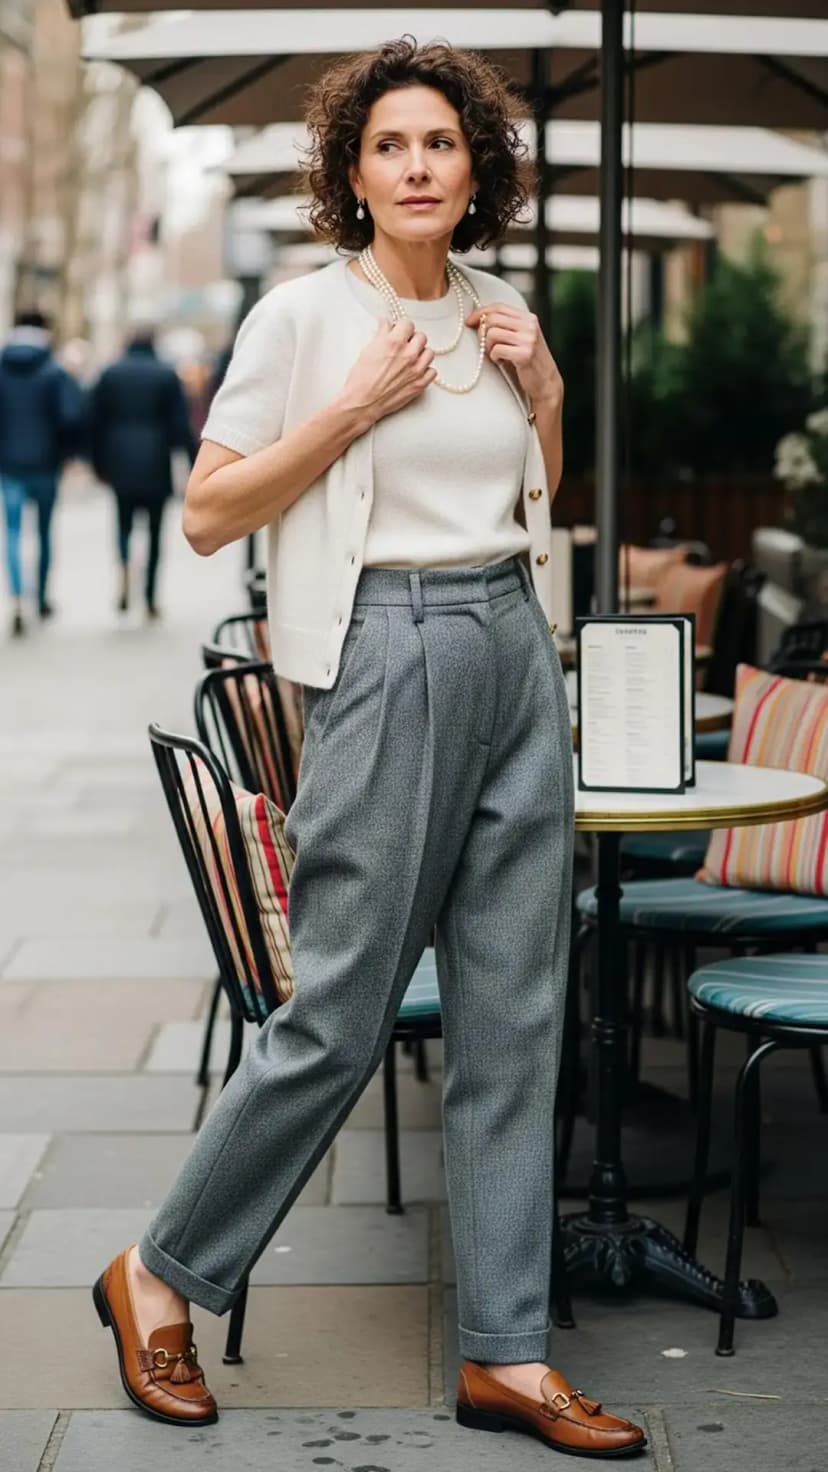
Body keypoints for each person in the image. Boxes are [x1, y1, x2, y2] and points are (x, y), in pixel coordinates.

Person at [92, 40, 646, 1460]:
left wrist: (551, 396)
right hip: (385, 655)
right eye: (391, 145)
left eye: (442, 146)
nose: (416, 167)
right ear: (352, 171)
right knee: (339, 1009)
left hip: (516, 644)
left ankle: (507, 1356)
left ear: (478, 175)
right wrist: (350, 412)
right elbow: (212, 514)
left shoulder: (505, 307)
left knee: (518, 1016)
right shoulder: (298, 319)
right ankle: (158, 1271)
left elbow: (538, 497)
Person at [87, 327, 197, 618]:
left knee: (123, 523)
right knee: (155, 531)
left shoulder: (110, 373)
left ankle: (124, 565)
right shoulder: (166, 374)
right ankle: (149, 595)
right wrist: (193, 462)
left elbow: (95, 421)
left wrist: (98, 464)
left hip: (119, 458)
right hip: (155, 459)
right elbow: (180, 425)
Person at [0, 310, 83, 636]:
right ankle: (42, 597)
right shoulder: (53, 370)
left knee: (13, 532)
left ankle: (18, 597)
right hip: (46, 465)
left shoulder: (2, 367)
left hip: (9, 465)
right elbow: (70, 416)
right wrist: (66, 453)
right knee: (45, 533)